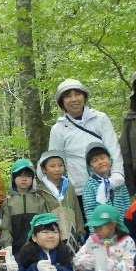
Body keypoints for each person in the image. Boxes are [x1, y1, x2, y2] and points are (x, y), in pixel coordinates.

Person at [49, 79, 125, 219]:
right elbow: (54, 163)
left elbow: (113, 148)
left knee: (117, 228)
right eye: (67, 96)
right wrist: (56, 190)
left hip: (109, 186)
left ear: (84, 97)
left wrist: (117, 176)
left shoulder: (100, 119)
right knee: (90, 231)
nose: (74, 99)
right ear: (62, 102)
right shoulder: (58, 129)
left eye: (77, 94)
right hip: (80, 191)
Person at [0, 158, 51, 252]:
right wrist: (7, 245)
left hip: (37, 248)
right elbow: (5, 227)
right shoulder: (8, 202)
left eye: (28, 176)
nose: (24, 179)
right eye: (20, 176)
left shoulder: (38, 199)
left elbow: (45, 223)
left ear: (32, 179)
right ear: (14, 179)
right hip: (15, 249)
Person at [82, 142, 130, 233]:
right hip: (103, 231)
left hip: (122, 228)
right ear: (90, 167)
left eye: (103, 158)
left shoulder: (119, 181)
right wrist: (94, 234)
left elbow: (127, 204)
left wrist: (129, 227)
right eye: (94, 161)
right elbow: (89, 211)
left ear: (110, 160)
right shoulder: (90, 186)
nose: (100, 162)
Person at [35, 151, 85, 240]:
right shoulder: (40, 191)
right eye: (52, 166)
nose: (57, 169)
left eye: (60, 165)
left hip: (71, 235)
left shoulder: (69, 186)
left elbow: (77, 210)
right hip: (51, 236)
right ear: (43, 169)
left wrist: (80, 231)